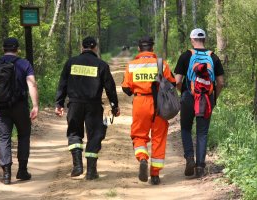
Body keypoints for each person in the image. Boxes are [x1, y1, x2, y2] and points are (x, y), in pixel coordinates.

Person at [55, 36, 120, 180]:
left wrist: (59, 103)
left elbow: (62, 84)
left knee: (74, 133)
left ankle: (77, 166)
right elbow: (110, 88)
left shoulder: (71, 63)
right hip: (94, 106)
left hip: (74, 105)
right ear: (95, 47)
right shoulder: (101, 65)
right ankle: (91, 171)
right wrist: (114, 106)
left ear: (81, 47)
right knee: (95, 134)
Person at [0, 37, 39, 184]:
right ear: (17, 49)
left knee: (4, 138)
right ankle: (22, 171)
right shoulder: (24, 64)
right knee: (24, 135)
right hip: (20, 106)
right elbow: (32, 85)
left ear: (3, 49)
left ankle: (6, 175)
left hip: (1, 107)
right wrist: (35, 105)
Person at [121, 36, 176, 185]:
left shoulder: (131, 65)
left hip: (140, 103)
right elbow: (172, 83)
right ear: (152, 48)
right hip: (159, 104)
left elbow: (126, 88)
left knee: (139, 134)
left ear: (139, 49)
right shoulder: (162, 64)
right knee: (159, 137)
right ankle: (155, 174)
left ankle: (143, 157)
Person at [174, 28, 224, 178]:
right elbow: (221, 82)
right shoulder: (213, 57)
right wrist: (214, 97)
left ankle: (190, 158)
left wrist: (183, 93)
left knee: (186, 129)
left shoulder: (186, 56)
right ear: (205, 40)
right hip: (206, 98)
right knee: (202, 132)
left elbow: (177, 81)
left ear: (192, 40)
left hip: (189, 97)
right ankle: (200, 166)